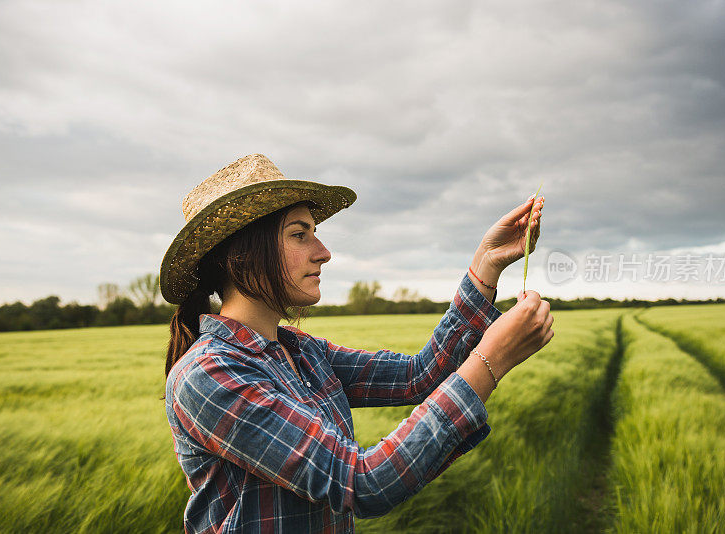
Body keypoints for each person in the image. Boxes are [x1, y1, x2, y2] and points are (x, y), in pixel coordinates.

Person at [161, 153, 552, 534]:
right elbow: (364, 483)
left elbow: (420, 376)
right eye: (300, 234)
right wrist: (490, 360)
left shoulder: (302, 352)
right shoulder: (206, 375)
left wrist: (487, 263)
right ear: (241, 255)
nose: (324, 252)